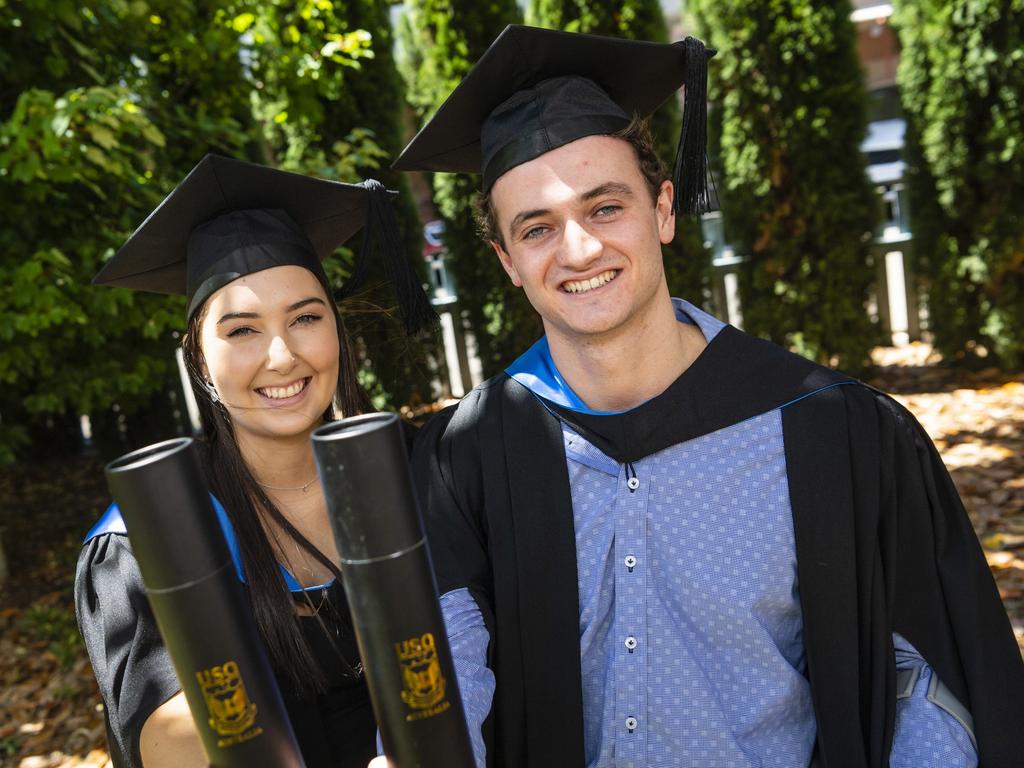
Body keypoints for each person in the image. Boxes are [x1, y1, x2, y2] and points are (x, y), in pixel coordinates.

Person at [392, 24, 1024, 768]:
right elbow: (444, 658)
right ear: (506, 260)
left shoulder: (828, 428)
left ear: (662, 209)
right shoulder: (465, 457)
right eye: (537, 228)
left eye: (605, 208)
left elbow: (915, 673)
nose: (580, 250)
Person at [76, 154, 435, 768]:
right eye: (242, 330)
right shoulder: (146, 543)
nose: (281, 355)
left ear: (338, 332)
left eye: (306, 318)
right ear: (199, 361)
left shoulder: (424, 474)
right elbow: (161, 737)